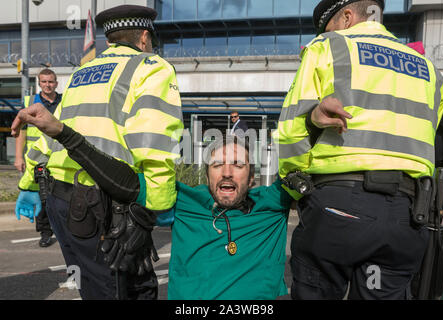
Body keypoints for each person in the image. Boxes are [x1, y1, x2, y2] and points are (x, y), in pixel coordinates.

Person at [276, 0, 443, 300]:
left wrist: (297, 192)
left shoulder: (328, 47)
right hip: (407, 217)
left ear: (346, 16)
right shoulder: (429, 70)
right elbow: (432, 140)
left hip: (339, 206)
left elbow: (291, 137)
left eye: (328, 27)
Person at [11, 4, 183, 300]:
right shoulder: (150, 67)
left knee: (94, 286)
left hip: (61, 201)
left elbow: (49, 134)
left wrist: (27, 183)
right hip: (108, 205)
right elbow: (154, 141)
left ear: (109, 41)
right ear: (144, 38)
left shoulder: (82, 73)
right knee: (122, 290)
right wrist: (159, 204)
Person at [157, 135, 292, 299]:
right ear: (207, 177)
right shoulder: (182, 200)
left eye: (238, 164)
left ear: (251, 179)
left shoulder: (274, 202)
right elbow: (130, 182)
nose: (227, 173)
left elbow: (304, 164)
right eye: (217, 164)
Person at [15, 68, 61, 248]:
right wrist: (19, 157)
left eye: (50, 81)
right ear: (39, 83)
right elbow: (21, 133)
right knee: (41, 196)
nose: (47, 85)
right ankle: (45, 232)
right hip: (37, 158)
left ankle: (62, 229)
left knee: (62, 195)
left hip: (59, 156)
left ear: (56, 83)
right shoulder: (29, 102)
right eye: (44, 81)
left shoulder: (64, 101)